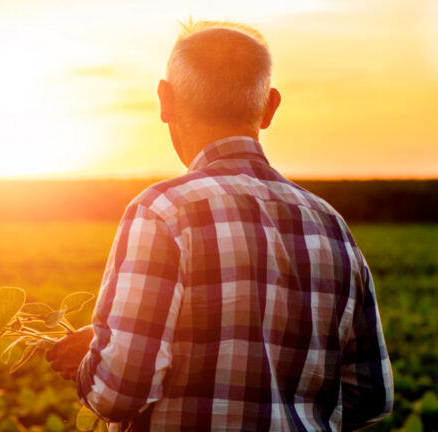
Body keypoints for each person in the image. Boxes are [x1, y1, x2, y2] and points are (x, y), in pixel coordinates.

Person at [46, 20, 393, 431]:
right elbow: (371, 394)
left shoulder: (162, 211)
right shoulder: (331, 224)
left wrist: (94, 360)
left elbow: (120, 389)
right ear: (270, 107)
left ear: (165, 100)